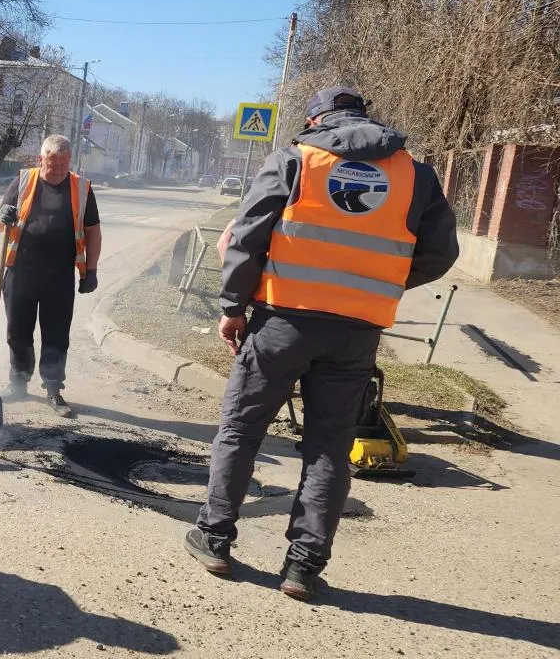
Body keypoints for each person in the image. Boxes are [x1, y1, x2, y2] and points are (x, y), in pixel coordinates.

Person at [185, 86, 459, 600]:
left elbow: (248, 237)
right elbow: (440, 253)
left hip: (282, 323)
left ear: (316, 121)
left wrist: (231, 307)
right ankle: (303, 568)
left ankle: (215, 538)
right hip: (356, 332)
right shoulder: (414, 175)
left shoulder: (296, 160)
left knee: (241, 430)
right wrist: (383, 280)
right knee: (329, 448)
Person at [0, 134, 102, 418]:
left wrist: (91, 270)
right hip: (20, 270)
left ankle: (53, 389)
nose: (58, 170)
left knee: (55, 333)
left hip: (59, 274)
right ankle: (18, 382)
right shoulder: (24, 181)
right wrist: (1, 214)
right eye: (53, 164)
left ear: (70, 162)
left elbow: (92, 230)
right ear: (41, 159)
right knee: (17, 329)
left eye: (64, 164)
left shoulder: (80, 188)